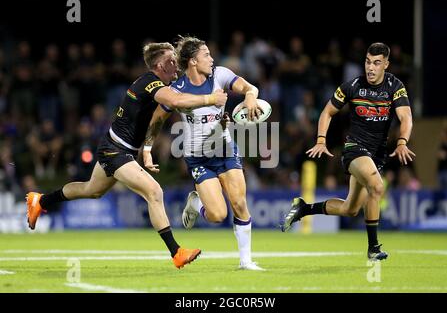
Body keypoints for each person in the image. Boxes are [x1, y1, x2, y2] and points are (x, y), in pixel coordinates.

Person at [26, 42, 228, 269]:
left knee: (91, 190)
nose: (176, 64)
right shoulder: (151, 82)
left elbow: (160, 118)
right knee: (154, 192)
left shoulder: (156, 84)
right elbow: (176, 101)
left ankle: (40, 200)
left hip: (115, 146)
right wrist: (211, 99)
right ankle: (176, 252)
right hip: (117, 150)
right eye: (172, 60)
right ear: (161, 64)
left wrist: (149, 149)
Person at [281, 42, 416, 261]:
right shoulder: (352, 85)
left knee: (350, 209)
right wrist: (321, 140)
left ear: (386, 65)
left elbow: (406, 117)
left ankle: (304, 208)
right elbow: (327, 112)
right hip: (355, 149)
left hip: (376, 155)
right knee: (377, 186)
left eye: (376, 63)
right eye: (367, 62)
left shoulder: (395, 86)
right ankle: (373, 248)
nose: (370, 68)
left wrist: (402, 142)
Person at [146, 36, 265, 270]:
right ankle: (197, 204)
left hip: (225, 150)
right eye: (206, 55)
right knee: (218, 215)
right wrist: (148, 148)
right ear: (192, 61)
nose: (211, 59)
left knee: (240, 203)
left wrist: (250, 97)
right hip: (199, 157)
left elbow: (249, 87)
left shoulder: (220, 75)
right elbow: (157, 120)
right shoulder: (177, 90)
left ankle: (246, 261)